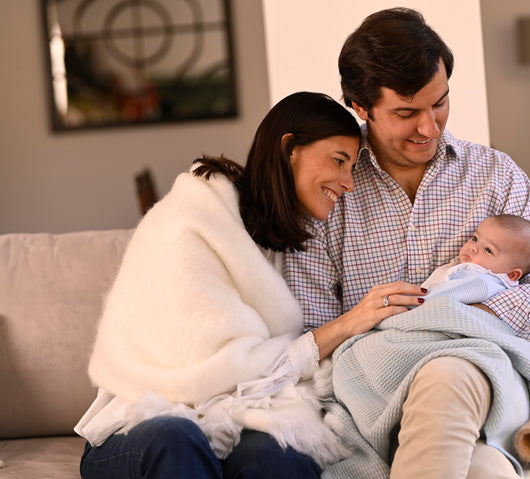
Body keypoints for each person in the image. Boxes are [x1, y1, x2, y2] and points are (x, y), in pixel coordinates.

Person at [74, 91, 423, 479]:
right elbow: (203, 374)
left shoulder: (291, 242)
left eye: (352, 168)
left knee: (284, 457)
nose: (348, 184)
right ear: (290, 148)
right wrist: (346, 324)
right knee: (176, 439)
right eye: (339, 162)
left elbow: (284, 371)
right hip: (143, 420)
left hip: (241, 415)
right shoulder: (189, 223)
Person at [284, 8, 530, 479]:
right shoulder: (329, 190)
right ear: (360, 106)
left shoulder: (495, 177)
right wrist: (367, 321)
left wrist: (456, 317)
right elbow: (306, 332)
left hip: (479, 374)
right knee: (482, 470)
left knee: (448, 372)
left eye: (439, 103)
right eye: (406, 113)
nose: (429, 128)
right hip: (373, 391)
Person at [421, 214, 530, 304]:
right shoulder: (468, 270)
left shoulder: (482, 282)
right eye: (475, 239)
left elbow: (440, 298)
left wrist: (409, 302)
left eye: (488, 250)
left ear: (511, 275)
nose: (473, 248)